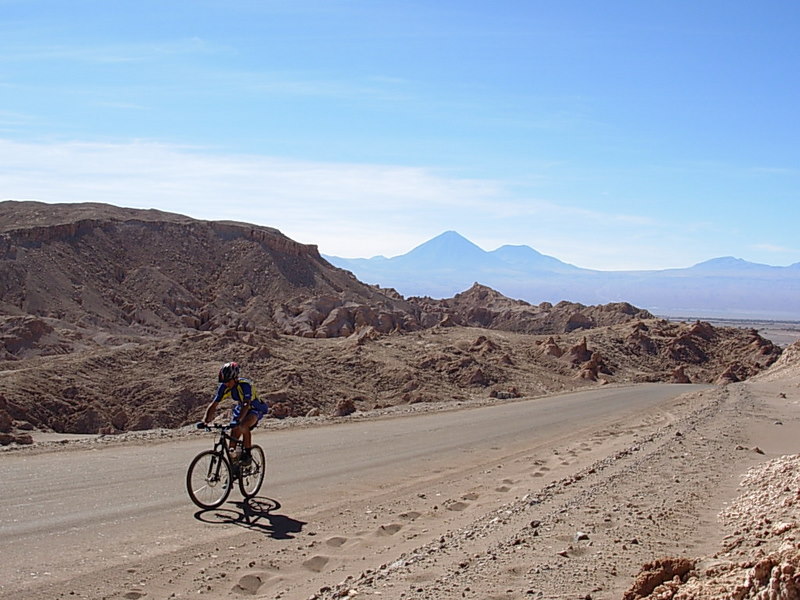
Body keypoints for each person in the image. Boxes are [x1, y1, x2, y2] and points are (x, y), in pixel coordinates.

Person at [198, 362, 269, 465]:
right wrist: (205, 421)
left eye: (228, 381)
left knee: (243, 426)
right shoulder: (224, 387)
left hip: (254, 408)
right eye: (224, 382)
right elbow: (214, 405)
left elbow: (246, 403)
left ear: (235, 378)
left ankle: (247, 454)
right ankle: (233, 466)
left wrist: (239, 420)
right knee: (233, 433)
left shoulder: (245, 385)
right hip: (241, 409)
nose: (226, 384)